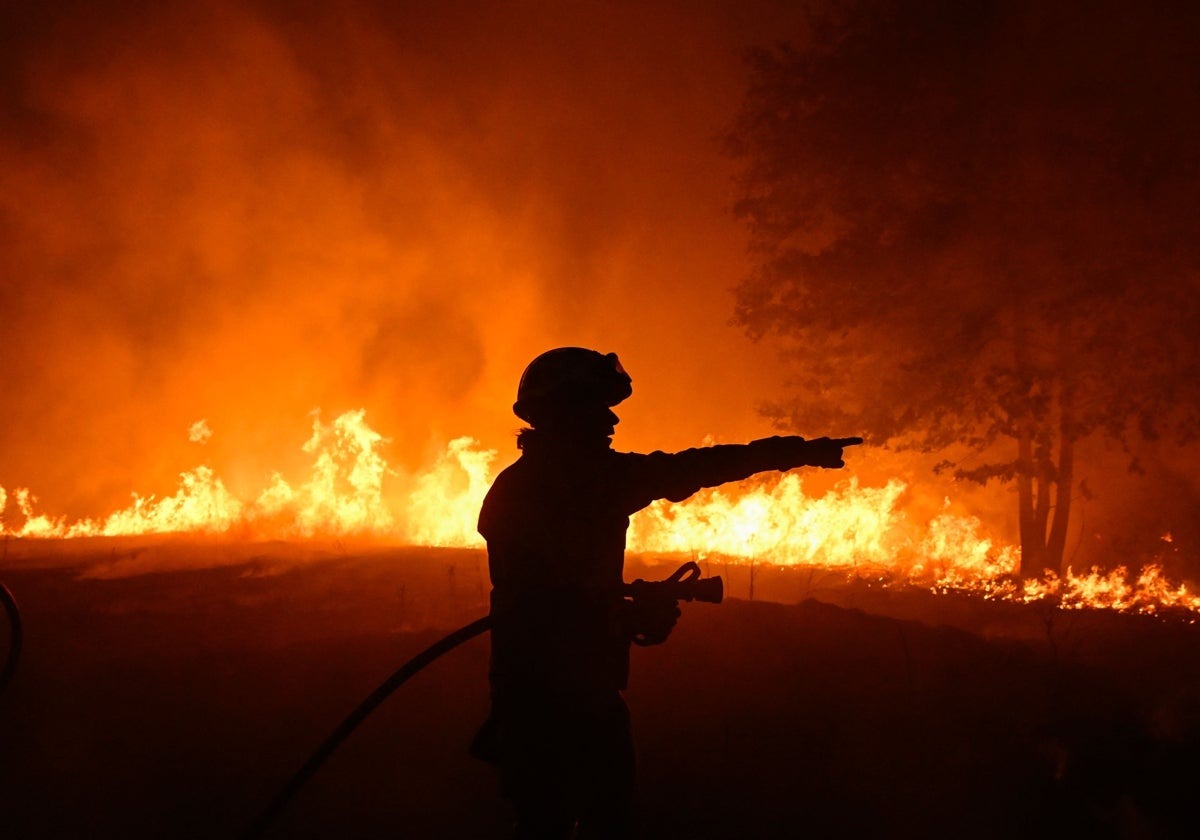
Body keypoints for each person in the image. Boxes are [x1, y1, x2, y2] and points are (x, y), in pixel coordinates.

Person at [474, 347, 861, 838]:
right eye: (598, 407)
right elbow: (546, 602)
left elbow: (696, 467)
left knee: (584, 817)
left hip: (575, 690)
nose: (612, 420)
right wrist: (626, 615)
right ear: (562, 412)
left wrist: (795, 451)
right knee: (556, 821)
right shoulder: (556, 489)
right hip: (543, 697)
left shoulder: (572, 481)